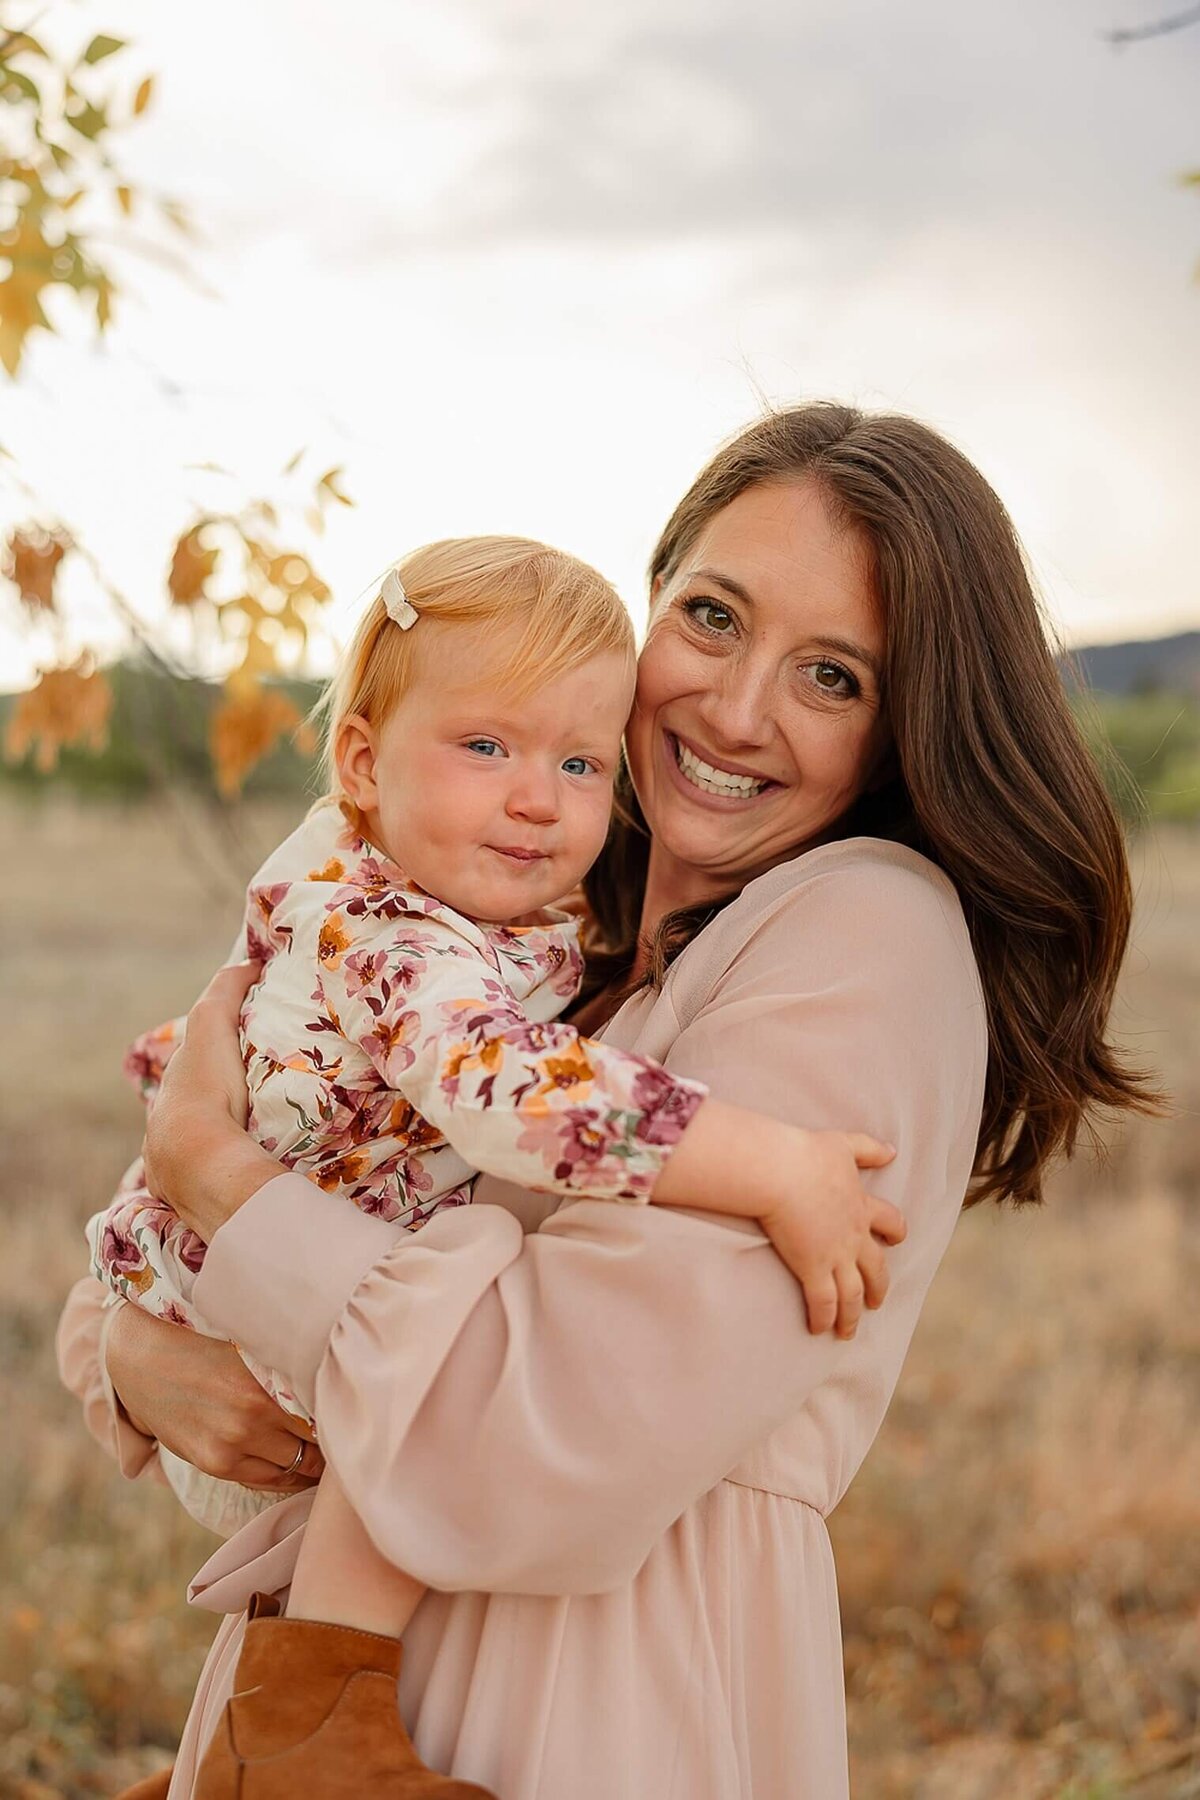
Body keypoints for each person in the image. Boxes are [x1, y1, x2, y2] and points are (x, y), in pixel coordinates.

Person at [58, 404, 1156, 1800]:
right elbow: (187, 1167)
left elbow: (525, 1435)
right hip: (328, 1706)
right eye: (710, 617)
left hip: (596, 1694)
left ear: (901, 730)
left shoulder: (865, 928)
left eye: (831, 676)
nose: (737, 708)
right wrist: (132, 1358)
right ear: (645, 608)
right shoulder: (514, 902)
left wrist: (223, 1190)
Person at [83, 534, 900, 1800]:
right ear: (360, 761)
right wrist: (768, 1163)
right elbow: (508, 1095)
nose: (540, 798)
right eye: (488, 749)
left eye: (578, 761)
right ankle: (303, 1734)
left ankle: (254, 1746)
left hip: (233, 1307)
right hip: (243, 1348)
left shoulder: (427, 903)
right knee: (463, 1269)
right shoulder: (398, 936)